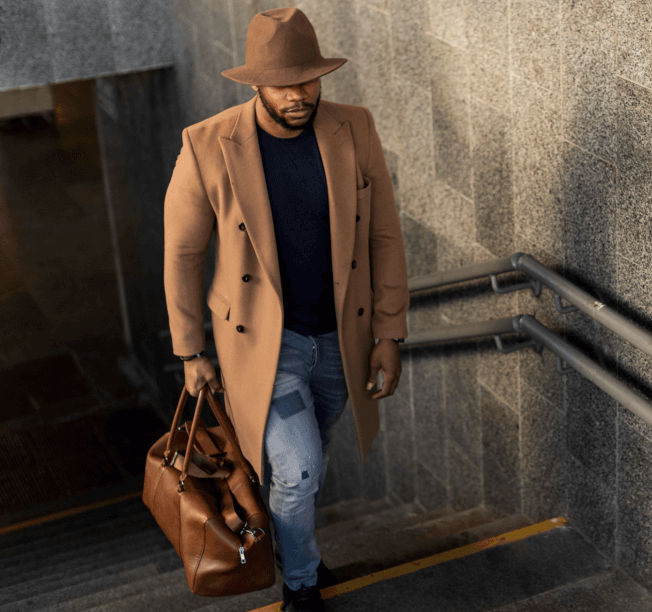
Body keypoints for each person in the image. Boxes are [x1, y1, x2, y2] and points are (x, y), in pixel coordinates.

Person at [162, 7, 409, 612]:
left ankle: (299, 548)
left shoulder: (355, 128)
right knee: (298, 471)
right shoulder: (206, 146)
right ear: (255, 85)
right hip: (265, 347)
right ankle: (299, 581)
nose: (300, 95)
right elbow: (183, 254)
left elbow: (384, 236)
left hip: (341, 340)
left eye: (309, 79)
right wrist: (191, 351)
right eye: (283, 84)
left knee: (308, 462)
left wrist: (389, 332)